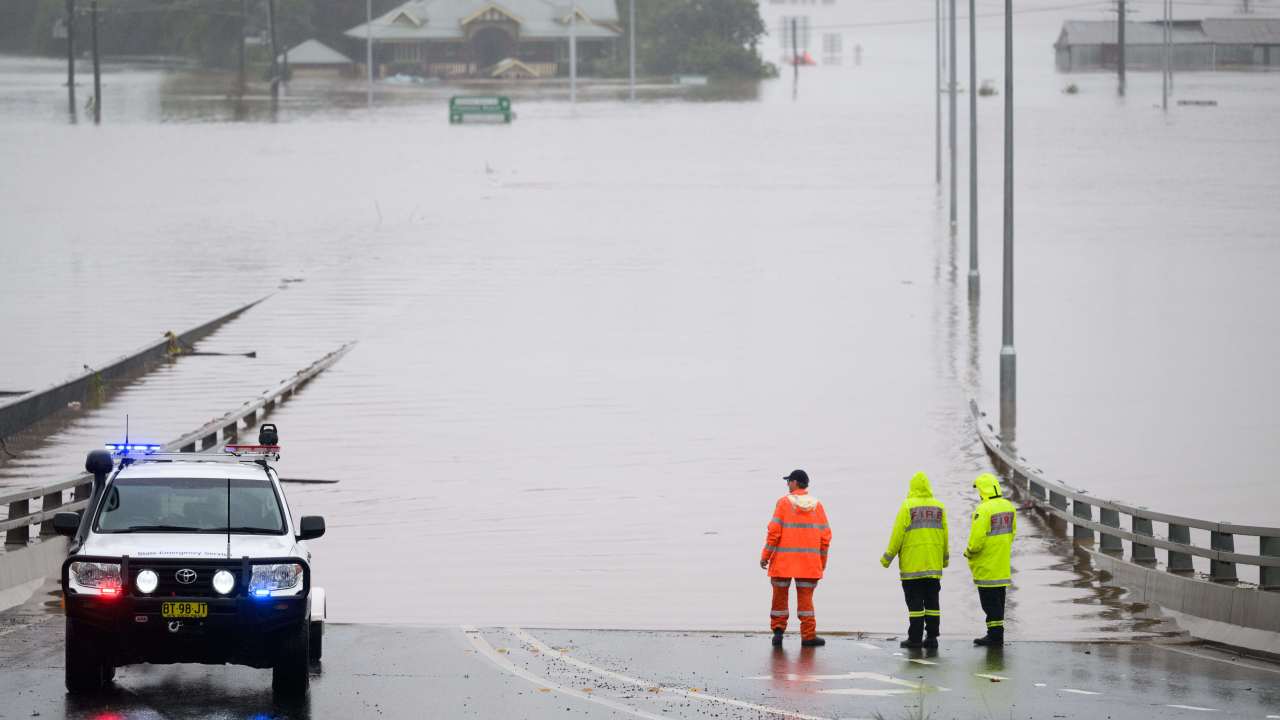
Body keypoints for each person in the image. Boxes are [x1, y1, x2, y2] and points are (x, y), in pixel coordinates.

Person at [761, 469, 832, 647]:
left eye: (788, 481)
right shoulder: (818, 505)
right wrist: (821, 562)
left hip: (783, 563)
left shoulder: (783, 503)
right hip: (808, 564)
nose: (787, 485)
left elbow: (774, 533)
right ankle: (808, 636)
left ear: (794, 483)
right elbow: (825, 538)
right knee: (806, 599)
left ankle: (778, 634)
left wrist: (765, 556)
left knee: (779, 597)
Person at [880, 471, 948, 649]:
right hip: (933, 566)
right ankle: (932, 638)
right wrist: (945, 560)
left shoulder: (907, 506)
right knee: (933, 603)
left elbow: (897, 536)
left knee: (915, 604)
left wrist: (887, 558)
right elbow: (944, 536)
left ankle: (915, 638)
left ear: (912, 487)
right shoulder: (939, 507)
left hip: (912, 568)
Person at [964, 473, 1016, 646]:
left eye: (979, 489)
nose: (978, 493)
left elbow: (976, 540)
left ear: (983, 489)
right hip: (1002, 565)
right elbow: (1012, 533)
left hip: (987, 566)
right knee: (999, 602)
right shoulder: (1009, 506)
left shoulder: (983, 509)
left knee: (989, 603)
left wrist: (969, 552)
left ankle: (994, 637)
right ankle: (997, 634)